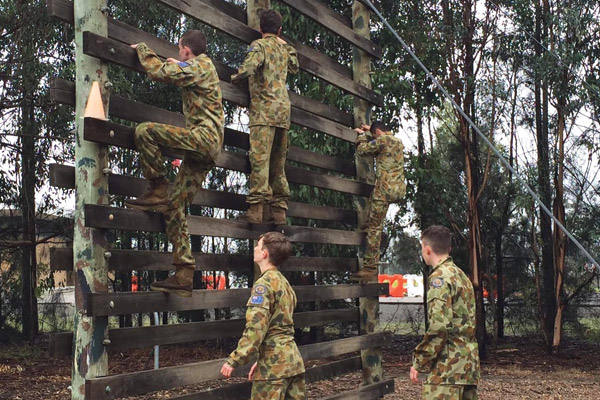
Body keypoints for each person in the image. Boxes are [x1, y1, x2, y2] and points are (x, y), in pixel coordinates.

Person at [125, 30, 225, 298]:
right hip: (207, 149)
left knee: (145, 131)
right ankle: (183, 274)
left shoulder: (199, 65)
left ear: (185, 50)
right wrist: (176, 63)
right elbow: (179, 69)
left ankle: (157, 185)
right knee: (175, 205)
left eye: (179, 50)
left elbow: (161, 73)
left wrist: (144, 51)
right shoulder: (203, 67)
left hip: (202, 140)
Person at [231, 9, 299, 224]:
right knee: (278, 164)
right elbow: (295, 66)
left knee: (260, 161)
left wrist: (235, 79)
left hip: (263, 112)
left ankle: (256, 211)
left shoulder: (259, 46)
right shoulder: (285, 49)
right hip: (283, 112)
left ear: (260, 28)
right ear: (279, 30)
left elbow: (249, 68)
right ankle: (279, 211)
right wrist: (283, 43)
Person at [220, 232, 305, 399]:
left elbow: (256, 328)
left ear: (264, 253)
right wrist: (261, 361)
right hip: (293, 363)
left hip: (273, 370)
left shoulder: (263, 285)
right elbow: (280, 326)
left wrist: (235, 360)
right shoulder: (284, 283)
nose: (255, 249)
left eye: (258, 246)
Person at [410, 225, 480, 399]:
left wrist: (419, 361)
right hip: (467, 367)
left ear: (427, 250)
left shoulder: (439, 279)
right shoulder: (461, 276)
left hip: (447, 369)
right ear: (449, 249)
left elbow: (439, 327)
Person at [350, 121, 405, 282]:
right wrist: (370, 131)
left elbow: (362, 151)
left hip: (384, 190)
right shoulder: (397, 141)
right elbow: (380, 140)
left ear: (378, 133)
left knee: (375, 229)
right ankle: (366, 223)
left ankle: (369, 268)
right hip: (397, 190)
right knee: (373, 218)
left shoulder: (381, 140)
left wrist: (361, 135)